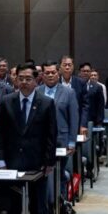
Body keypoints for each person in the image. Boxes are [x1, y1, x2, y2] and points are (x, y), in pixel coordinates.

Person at [0, 62, 57, 214]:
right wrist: (0, 160)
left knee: (38, 208)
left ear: (36, 80)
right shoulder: (7, 101)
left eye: (28, 78)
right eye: (20, 78)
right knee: (13, 208)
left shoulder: (46, 102)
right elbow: (0, 134)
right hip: (12, 164)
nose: (24, 82)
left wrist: (49, 162)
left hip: (37, 164)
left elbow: (51, 135)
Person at [39, 60, 79, 205]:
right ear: (42, 75)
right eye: (47, 73)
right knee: (42, 175)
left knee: (59, 174)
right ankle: (44, 206)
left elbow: (74, 118)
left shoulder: (68, 92)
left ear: (58, 73)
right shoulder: (37, 91)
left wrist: (72, 141)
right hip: (41, 141)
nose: (50, 75)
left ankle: (60, 206)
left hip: (61, 140)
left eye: (53, 72)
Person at [59, 55, 89, 132]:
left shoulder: (81, 83)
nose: (67, 67)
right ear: (60, 67)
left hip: (76, 123)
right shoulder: (55, 83)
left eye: (69, 65)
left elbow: (85, 106)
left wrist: (83, 125)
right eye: (64, 65)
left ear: (73, 67)